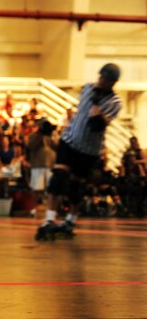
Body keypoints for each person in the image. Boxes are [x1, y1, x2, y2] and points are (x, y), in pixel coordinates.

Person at [36, 63, 122, 240]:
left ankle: (70, 220)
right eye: (101, 77)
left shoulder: (115, 103)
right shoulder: (88, 88)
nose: (101, 81)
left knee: (76, 186)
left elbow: (96, 125)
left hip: (89, 150)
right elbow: (80, 114)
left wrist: (97, 102)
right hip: (70, 141)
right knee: (58, 178)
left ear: (113, 82)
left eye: (106, 79)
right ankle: (49, 219)